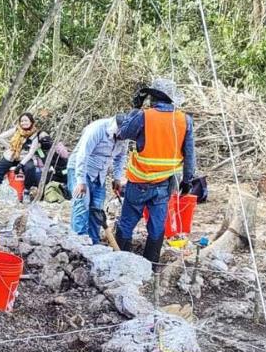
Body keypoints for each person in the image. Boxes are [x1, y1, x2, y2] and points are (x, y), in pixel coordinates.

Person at [114, 78, 197, 264]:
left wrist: (135, 108)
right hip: (164, 184)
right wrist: (187, 180)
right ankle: (151, 268)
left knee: (127, 223)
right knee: (157, 226)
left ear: (152, 97)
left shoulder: (144, 115)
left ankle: (121, 264)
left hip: (139, 182)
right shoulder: (184, 120)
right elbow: (190, 155)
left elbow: (123, 133)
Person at [69, 115, 128, 244]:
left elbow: (121, 157)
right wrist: (81, 181)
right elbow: (83, 154)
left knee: (96, 210)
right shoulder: (97, 129)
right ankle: (78, 243)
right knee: (82, 206)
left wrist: (117, 178)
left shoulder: (124, 136)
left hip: (99, 175)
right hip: (80, 170)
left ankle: (93, 243)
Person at [0, 113, 44, 191]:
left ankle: (26, 190)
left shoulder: (35, 135)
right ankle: (3, 190)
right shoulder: (16, 130)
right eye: (21, 121)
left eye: (26, 121)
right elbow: (0, 138)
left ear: (31, 122)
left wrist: (21, 165)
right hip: (12, 156)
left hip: (25, 158)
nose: (23, 123)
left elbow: (31, 153)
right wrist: (11, 147)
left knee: (30, 169)